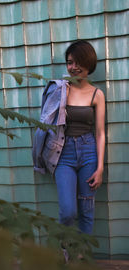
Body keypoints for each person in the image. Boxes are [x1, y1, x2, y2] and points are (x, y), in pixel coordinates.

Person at [32, 40, 105, 235]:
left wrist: (100, 167)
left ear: (88, 63)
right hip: (63, 153)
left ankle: (82, 256)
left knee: (87, 209)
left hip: (89, 151)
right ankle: (66, 250)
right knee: (68, 211)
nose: (73, 67)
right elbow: (45, 122)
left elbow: (100, 133)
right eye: (69, 62)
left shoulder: (97, 94)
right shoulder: (59, 90)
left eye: (77, 62)